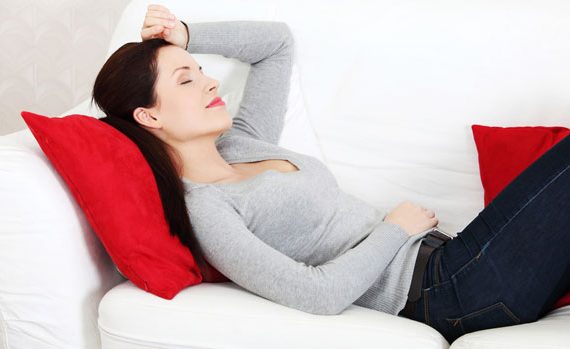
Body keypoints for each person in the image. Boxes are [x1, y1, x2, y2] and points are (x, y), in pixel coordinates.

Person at [91, 4, 569, 344]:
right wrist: (393, 230)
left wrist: (186, 35)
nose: (210, 79)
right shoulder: (208, 208)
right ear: (149, 117)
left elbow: (275, 44)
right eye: (187, 78)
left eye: (200, 69)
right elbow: (317, 294)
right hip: (450, 293)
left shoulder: (242, 140)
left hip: (457, 258)